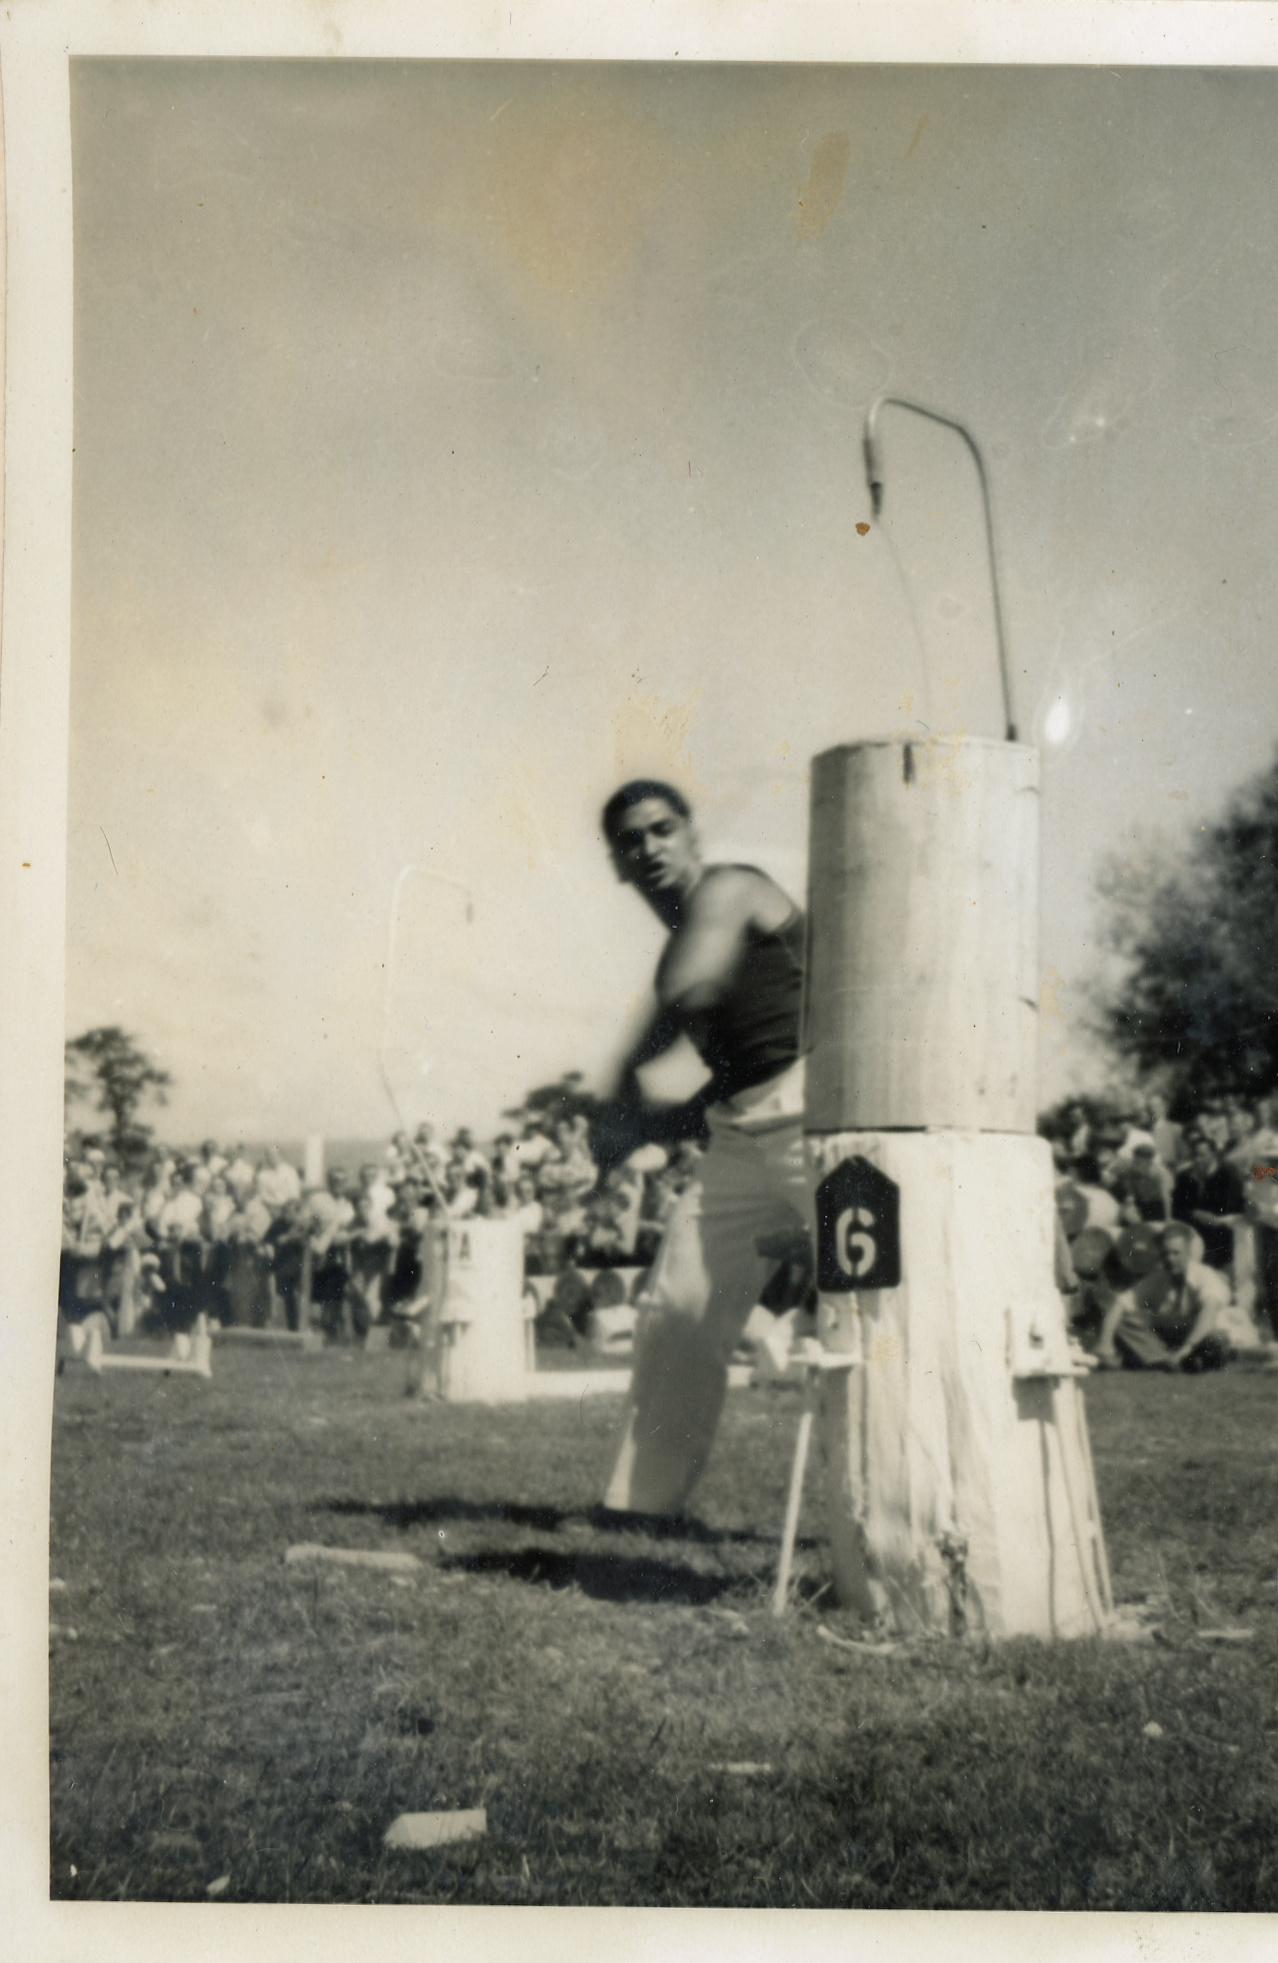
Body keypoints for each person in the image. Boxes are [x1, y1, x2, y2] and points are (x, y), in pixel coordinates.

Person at [595, 779, 808, 1517]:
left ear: (694, 836)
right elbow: (715, 1083)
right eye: (630, 841)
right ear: (617, 865)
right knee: (678, 1308)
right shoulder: (673, 956)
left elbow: (694, 989)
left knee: (879, 1307)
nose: (648, 847)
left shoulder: (730, 888)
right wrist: (634, 1125)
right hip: (741, 1137)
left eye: (660, 829)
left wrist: (620, 1086)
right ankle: (640, 1506)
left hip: (824, 1117)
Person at [1096, 1223, 1231, 1371]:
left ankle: (1179, 1359)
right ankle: (1164, 1360)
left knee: (1215, 1339)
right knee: (1124, 1320)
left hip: (1198, 1334)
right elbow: (1120, 1304)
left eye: (1175, 1253)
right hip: (1165, 1334)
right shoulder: (1157, 1277)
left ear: (1189, 1253)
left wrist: (1186, 1349)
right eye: (1165, 1254)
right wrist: (1105, 1342)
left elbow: (1208, 1315)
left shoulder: (1205, 1276)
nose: (1170, 1259)